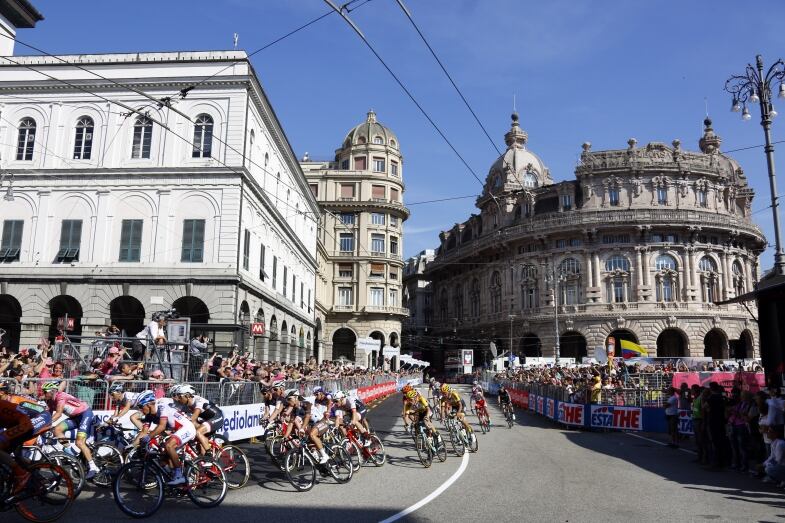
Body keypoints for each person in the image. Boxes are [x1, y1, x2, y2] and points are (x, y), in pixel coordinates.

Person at [42, 381, 100, 480]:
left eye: (44, 392)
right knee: (57, 430)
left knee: (79, 443)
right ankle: (71, 454)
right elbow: (48, 415)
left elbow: (59, 414)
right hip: (75, 417)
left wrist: (46, 425)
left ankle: (94, 467)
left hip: (85, 414)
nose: (43, 394)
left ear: (51, 391)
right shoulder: (50, 401)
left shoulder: (60, 396)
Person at [135, 390, 195, 486]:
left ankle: (179, 476)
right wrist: (134, 445)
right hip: (176, 430)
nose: (140, 410)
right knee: (162, 453)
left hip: (187, 428)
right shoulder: (149, 415)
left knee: (169, 446)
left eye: (141, 407)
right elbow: (144, 431)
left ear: (148, 404)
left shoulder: (162, 406)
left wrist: (148, 437)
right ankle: (173, 475)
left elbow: (162, 426)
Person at [0, 396, 52, 495]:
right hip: (20, 422)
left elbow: (40, 410)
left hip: (33, 420)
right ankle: (33, 476)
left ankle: (22, 474)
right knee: (10, 453)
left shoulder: (13, 400)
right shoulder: (7, 401)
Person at [171, 384, 224, 454]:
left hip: (217, 417)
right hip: (206, 419)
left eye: (180, 396)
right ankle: (204, 460)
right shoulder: (185, 404)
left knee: (198, 432)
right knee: (198, 440)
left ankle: (209, 455)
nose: (178, 399)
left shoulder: (198, 401)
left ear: (187, 396)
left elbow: (194, 417)